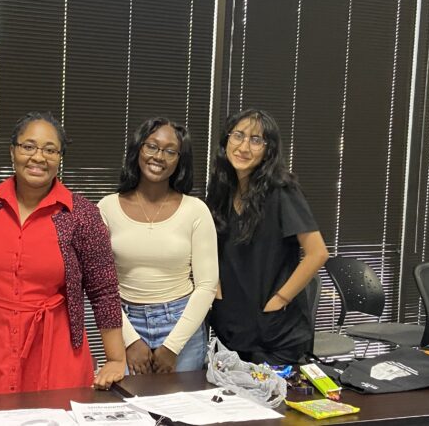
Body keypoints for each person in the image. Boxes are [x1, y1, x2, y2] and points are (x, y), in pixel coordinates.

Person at [0, 111, 125, 396]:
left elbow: (104, 290)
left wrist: (115, 358)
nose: (39, 157)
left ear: (60, 157)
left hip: (54, 346)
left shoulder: (81, 215)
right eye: (28, 146)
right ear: (12, 151)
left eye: (50, 150)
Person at [205, 108, 329, 365]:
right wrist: (216, 290)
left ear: (268, 150)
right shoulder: (221, 191)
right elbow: (208, 247)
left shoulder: (282, 191)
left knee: (275, 403)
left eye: (256, 140)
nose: (243, 146)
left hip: (277, 334)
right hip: (232, 328)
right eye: (238, 135)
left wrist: (280, 300)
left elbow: (317, 253)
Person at [98, 117, 219, 374]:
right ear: (138, 149)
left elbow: (207, 285)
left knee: (183, 411)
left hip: (181, 326)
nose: (159, 156)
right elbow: (100, 286)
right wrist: (130, 341)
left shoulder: (195, 210)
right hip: (125, 324)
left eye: (170, 151)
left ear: (179, 160)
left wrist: (172, 346)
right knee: (130, 410)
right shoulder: (106, 208)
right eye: (151, 146)